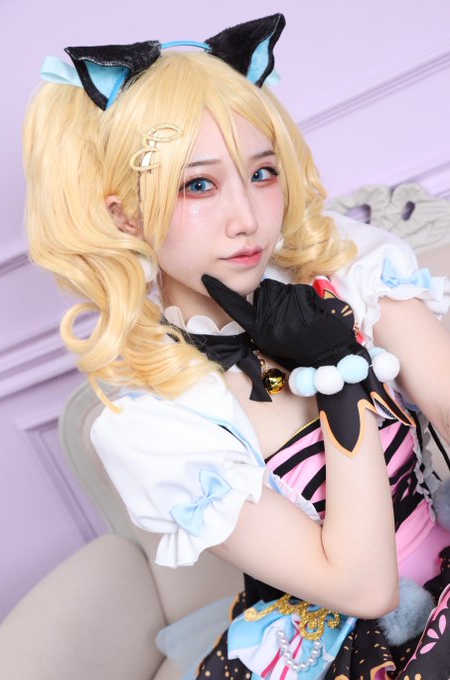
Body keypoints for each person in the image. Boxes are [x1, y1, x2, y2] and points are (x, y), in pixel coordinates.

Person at [23, 13, 450, 680]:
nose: (247, 219)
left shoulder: (346, 266)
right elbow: (365, 589)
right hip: (334, 649)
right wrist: (336, 371)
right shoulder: (148, 420)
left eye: (262, 172)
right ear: (124, 215)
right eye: (197, 185)